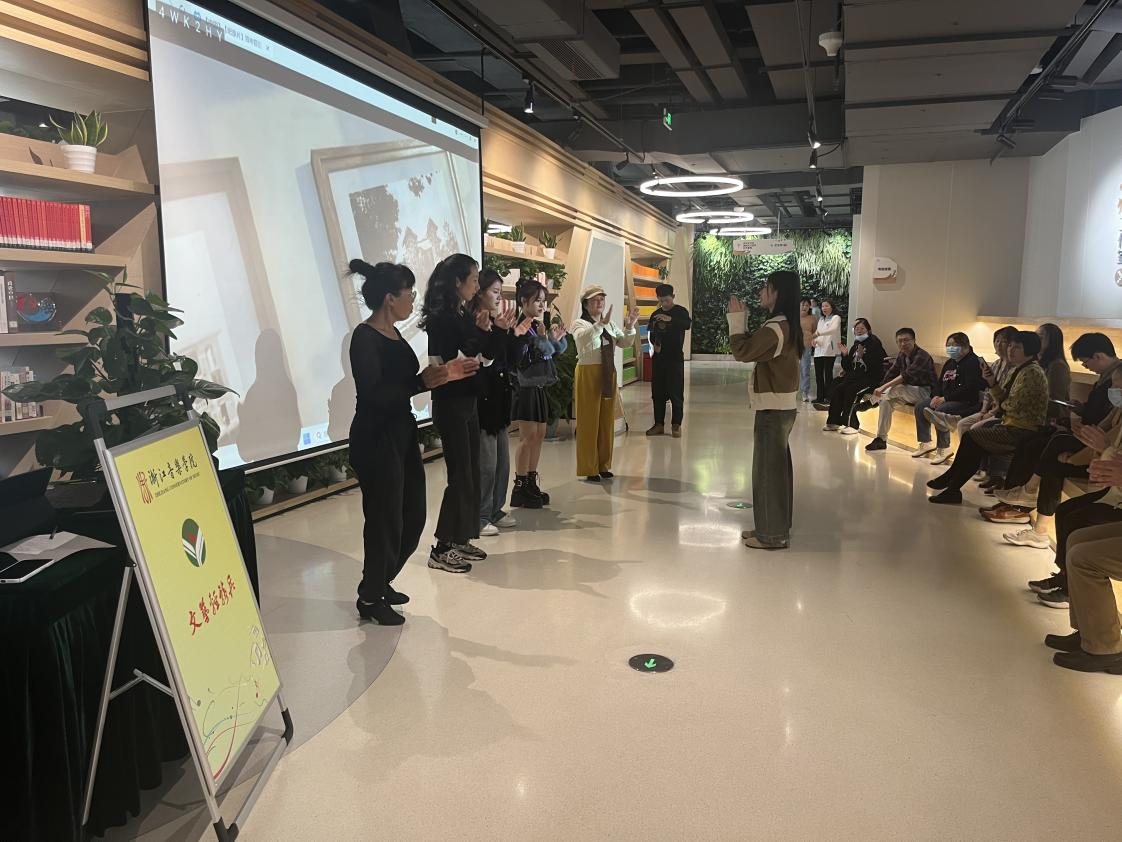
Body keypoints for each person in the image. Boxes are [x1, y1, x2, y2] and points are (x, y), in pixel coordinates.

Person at [346, 259, 477, 624]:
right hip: (375, 437)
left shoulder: (394, 333)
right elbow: (373, 394)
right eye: (409, 293)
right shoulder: (364, 337)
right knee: (384, 519)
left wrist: (441, 375)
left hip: (401, 432)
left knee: (413, 515)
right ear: (390, 298)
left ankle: (379, 580)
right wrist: (421, 382)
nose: (413, 300)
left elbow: (405, 385)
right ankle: (370, 597)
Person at [984, 333, 1121, 528]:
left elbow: (1107, 432)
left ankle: (1025, 499)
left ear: (1098, 356)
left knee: (1052, 444)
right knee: (1032, 443)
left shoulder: (1056, 368)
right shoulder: (1107, 378)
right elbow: (1103, 421)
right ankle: (1017, 497)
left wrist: (1076, 455)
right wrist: (1080, 412)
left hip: (1098, 453)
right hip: (1092, 440)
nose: (1085, 367)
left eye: (1085, 362)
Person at [421, 253, 500, 572]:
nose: (477, 286)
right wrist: (479, 337)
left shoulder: (462, 313)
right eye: (473, 279)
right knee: (460, 475)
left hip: (468, 400)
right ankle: (442, 547)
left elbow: (481, 355)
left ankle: (460, 538)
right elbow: (449, 360)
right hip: (450, 402)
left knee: (471, 472)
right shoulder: (441, 318)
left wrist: (488, 332)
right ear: (457, 281)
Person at [1000, 375, 1122, 552]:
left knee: (1055, 452)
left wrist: (1074, 458)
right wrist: (1085, 434)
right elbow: (1101, 434)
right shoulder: (1118, 409)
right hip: (1105, 469)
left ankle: (1029, 495)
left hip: (1110, 480)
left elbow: (1107, 446)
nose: (1114, 389)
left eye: (1118, 385)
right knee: (1050, 456)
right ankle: (1036, 521)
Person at [927, 330, 1050, 504]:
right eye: (1010, 345)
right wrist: (992, 382)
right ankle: (952, 485)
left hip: (1021, 430)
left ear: (1029, 349)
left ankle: (952, 482)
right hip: (1011, 424)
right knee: (973, 439)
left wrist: (996, 407)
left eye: (1016, 347)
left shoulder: (1032, 373)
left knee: (972, 438)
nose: (1010, 350)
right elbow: (1003, 400)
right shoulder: (1020, 369)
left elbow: (1011, 405)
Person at [727, 270, 802, 550]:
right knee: (776, 470)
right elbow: (755, 349)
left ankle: (772, 534)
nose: (761, 292)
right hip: (780, 406)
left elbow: (743, 352)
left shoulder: (776, 327)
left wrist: (737, 320)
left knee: (768, 473)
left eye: (766, 287)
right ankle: (772, 526)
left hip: (773, 408)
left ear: (778, 293)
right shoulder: (784, 325)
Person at [1032, 419, 1122, 612]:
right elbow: (1107, 446)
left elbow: (1110, 451)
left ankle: (1071, 589)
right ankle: (1066, 577)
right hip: (1115, 493)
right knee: (1065, 512)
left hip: (1117, 499)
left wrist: (1102, 451)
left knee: (1078, 527)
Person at [471, 270, 521, 537]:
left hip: (499, 399)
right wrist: (498, 332)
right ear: (478, 293)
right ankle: (480, 515)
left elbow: (509, 360)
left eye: (500, 292)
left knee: (502, 462)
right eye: (494, 292)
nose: (498, 297)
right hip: (482, 400)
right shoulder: (475, 323)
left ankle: (494, 509)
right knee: (487, 465)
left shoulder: (497, 322)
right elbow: (484, 359)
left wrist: (513, 335)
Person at [572, 285, 638, 481]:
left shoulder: (610, 324)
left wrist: (630, 326)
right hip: (588, 373)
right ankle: (589, 467)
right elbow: (582, 340)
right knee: (588, 420)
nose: (599, 302)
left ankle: (603, 464)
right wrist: (600, 325)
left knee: (606, 420)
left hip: (608, 373)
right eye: (595, 299)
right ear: (585, 304)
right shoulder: (579, 323)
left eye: (602, 299)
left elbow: (624, 342)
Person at [510, 279, 567, 508]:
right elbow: (523, 359)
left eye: (544, 301)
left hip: (539, 386)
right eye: (538, 301)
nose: (542, 305)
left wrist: (553, 340)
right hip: (525, 388)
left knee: (540, 434)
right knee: (527, 437)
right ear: (524, 301)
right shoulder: (520, 327)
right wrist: (545, 340)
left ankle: (531, 481)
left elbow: (549, 354)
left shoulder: (535, 325)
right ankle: (520, 486)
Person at [912, 332, 984, 465]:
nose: (950, 348)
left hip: (965, 401)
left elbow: (970, 388)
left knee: (941, 409)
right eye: (948, 345)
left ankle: (944, 448)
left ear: (965, 346)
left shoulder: (973, 362)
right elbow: (940, 383)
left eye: (954, 345)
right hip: (945, 397)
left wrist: (944, 399)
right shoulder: (950, 362)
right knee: (920, 407)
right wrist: (936, 395)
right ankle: (925, 442)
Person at [862, 328, 936, 452]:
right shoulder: (902, 355)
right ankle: (881, 439)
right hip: (907, 393)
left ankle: (872, 402)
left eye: (906, 340)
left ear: (914, 340)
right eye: (899, 341)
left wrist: (882, 388)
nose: (903, 343)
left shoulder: (922, 355)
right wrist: (880, 387)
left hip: (925, 393)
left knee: (900, 387)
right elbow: (892, 373)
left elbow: (906, 376)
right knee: (885, 403)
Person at [822, 318, 886, 433]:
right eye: (857, 329)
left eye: (862, 328)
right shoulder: (856, 344)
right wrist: (845, 355)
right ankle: (833, 422)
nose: (859, 331)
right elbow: (849, 367)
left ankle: (852, 425)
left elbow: (877, 365)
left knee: (852, 391)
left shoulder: (874, 343)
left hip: (871, 379)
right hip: (856, 377)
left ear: (868, 330)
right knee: (839, 388)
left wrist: (863, 357)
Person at [646, 283, 692, 437]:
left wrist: (670, 318)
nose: (664, 303)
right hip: (659, 358)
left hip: (675, 358)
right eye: (661, 301)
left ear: (673, 297)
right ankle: (658, 424)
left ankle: (676, 425)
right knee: (657, 392)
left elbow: (687, 324)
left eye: (666, 300)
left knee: (676, 391)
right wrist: (655, 344)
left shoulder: (680, 311)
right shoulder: (655, 314)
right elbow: (651, 333)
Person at [811, 299, 841, 406]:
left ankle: (829, 397)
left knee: (828, 374)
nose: (824, 308)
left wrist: (818, 334)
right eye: (823, 306)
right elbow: (816, 332)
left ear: (832, 307)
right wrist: (814, 340)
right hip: (819, 350)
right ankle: (820, 397)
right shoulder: (821, 319)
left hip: (829, 350)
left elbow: (833, 330)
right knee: (818, 375)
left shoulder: (836, 318)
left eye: (826, 306)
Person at [799, 297, 816, 402]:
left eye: (807, 305)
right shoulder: (793, 317)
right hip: (794, 346)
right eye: (802, 304)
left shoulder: (812, 318)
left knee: (805, 369)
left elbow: (815, 332)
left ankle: (805, 392)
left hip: (807, 346)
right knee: (791, 369)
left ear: (809, 307)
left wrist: (812, 339)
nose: (804, 307)